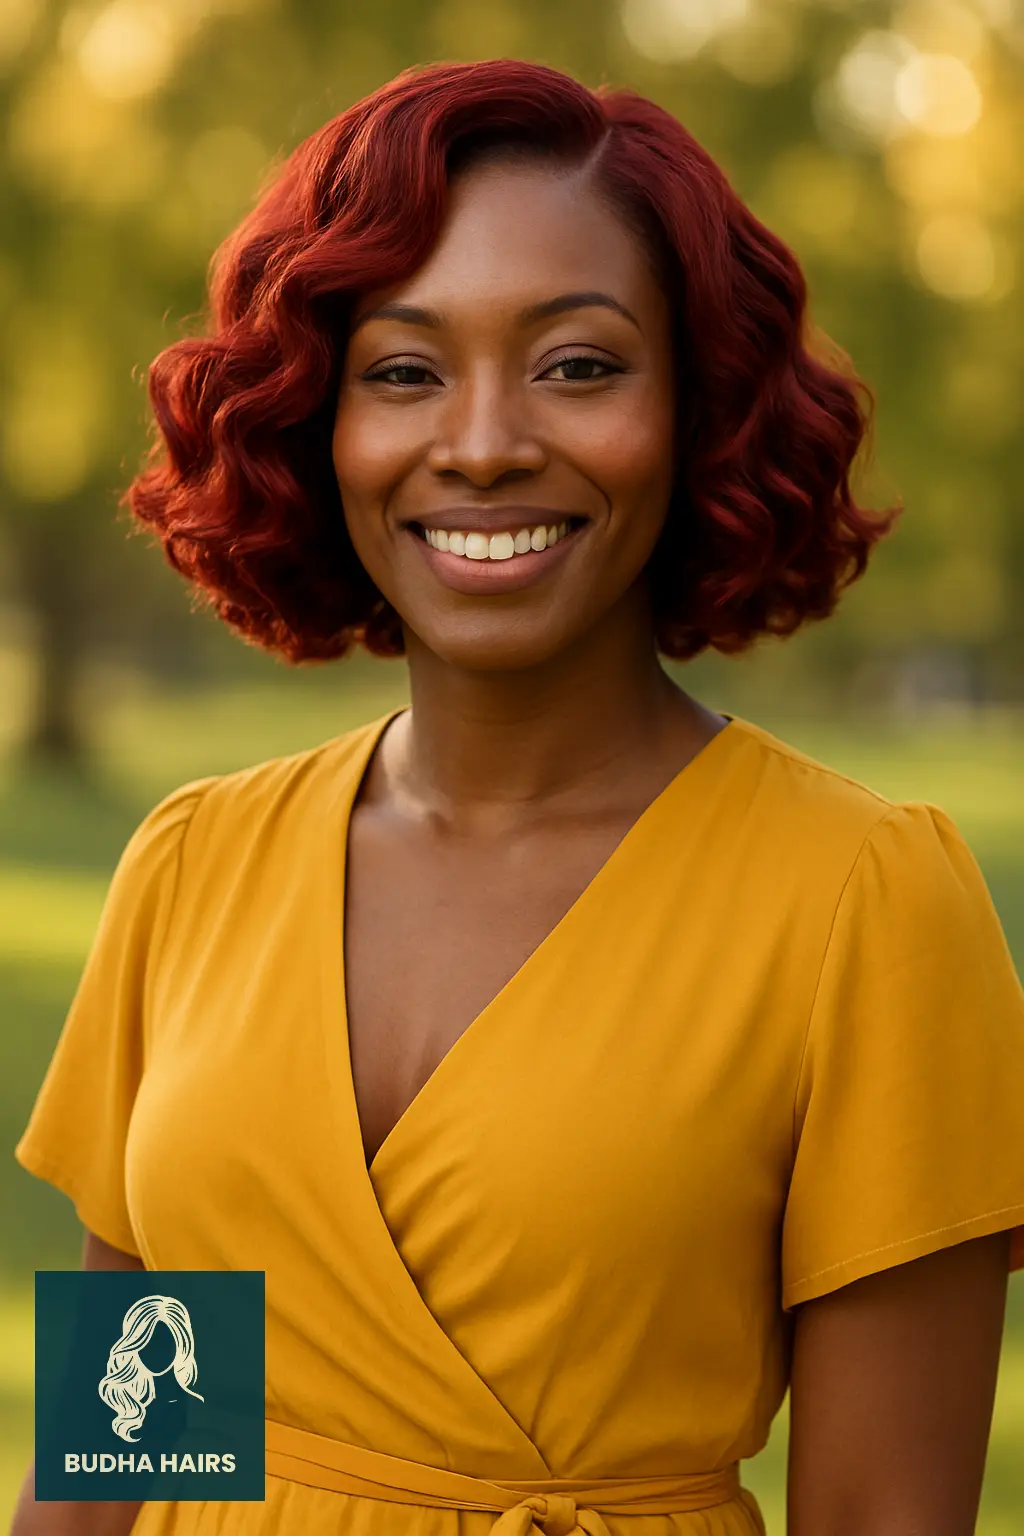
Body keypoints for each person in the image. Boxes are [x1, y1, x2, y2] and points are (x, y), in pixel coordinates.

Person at [11, 57, 1024, 1536]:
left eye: (577, 365)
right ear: (319, 424)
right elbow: (133, 1443)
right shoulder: (195, 862)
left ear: (699, 412)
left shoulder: (864, 902)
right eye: (406, 371)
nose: (482, 443)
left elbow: (884, 1519)